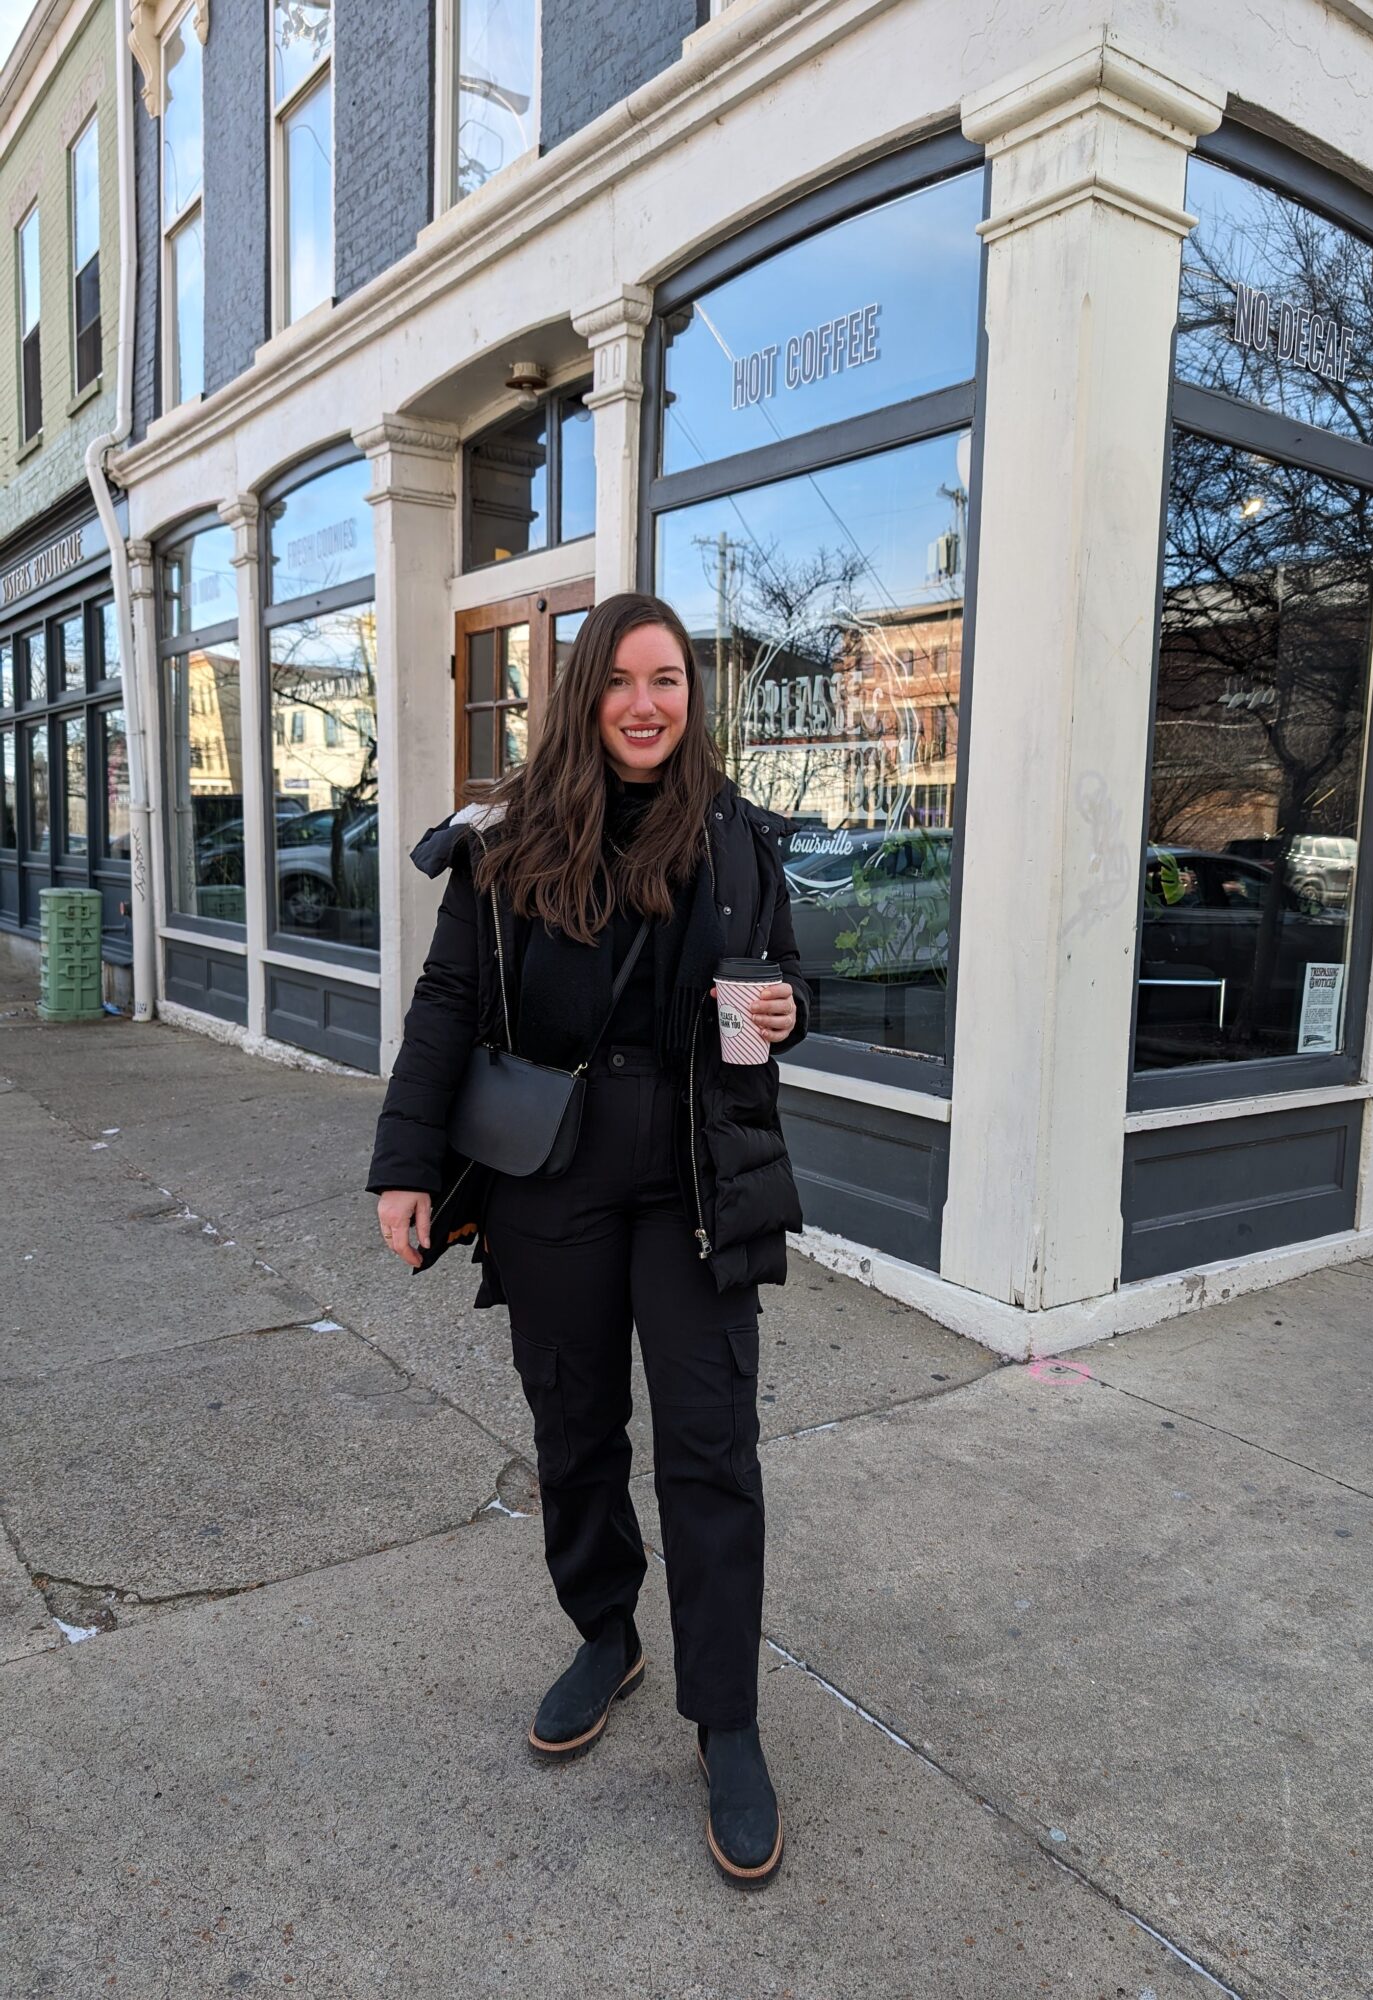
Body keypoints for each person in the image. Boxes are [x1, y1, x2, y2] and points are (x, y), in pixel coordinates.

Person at [366, 591, 808, 1888]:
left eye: (666, 679)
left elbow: (786, 979)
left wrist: (789, 1007)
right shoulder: (504, 844)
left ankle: (725, 1719)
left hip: (691, 1181)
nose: (643, 703)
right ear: (582, 697)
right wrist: (402, 1165)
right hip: (544, 1179)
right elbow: (448, 1006)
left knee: (711, 1448)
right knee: (574, 1429)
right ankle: (605, 1632)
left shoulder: (735, 839)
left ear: (690, 695)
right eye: (618, 680)